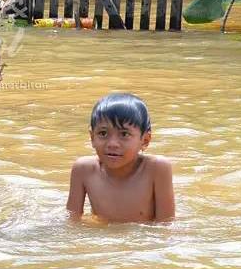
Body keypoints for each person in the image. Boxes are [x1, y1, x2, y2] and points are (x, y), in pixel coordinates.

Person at [67, 93, 175, 223]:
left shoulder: (156, 169)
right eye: (103, 133)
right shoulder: (83, 170)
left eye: (124, 134)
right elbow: (72, 221)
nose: (112, 144)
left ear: (145, 140)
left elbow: (166, 225)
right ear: (92, 137)